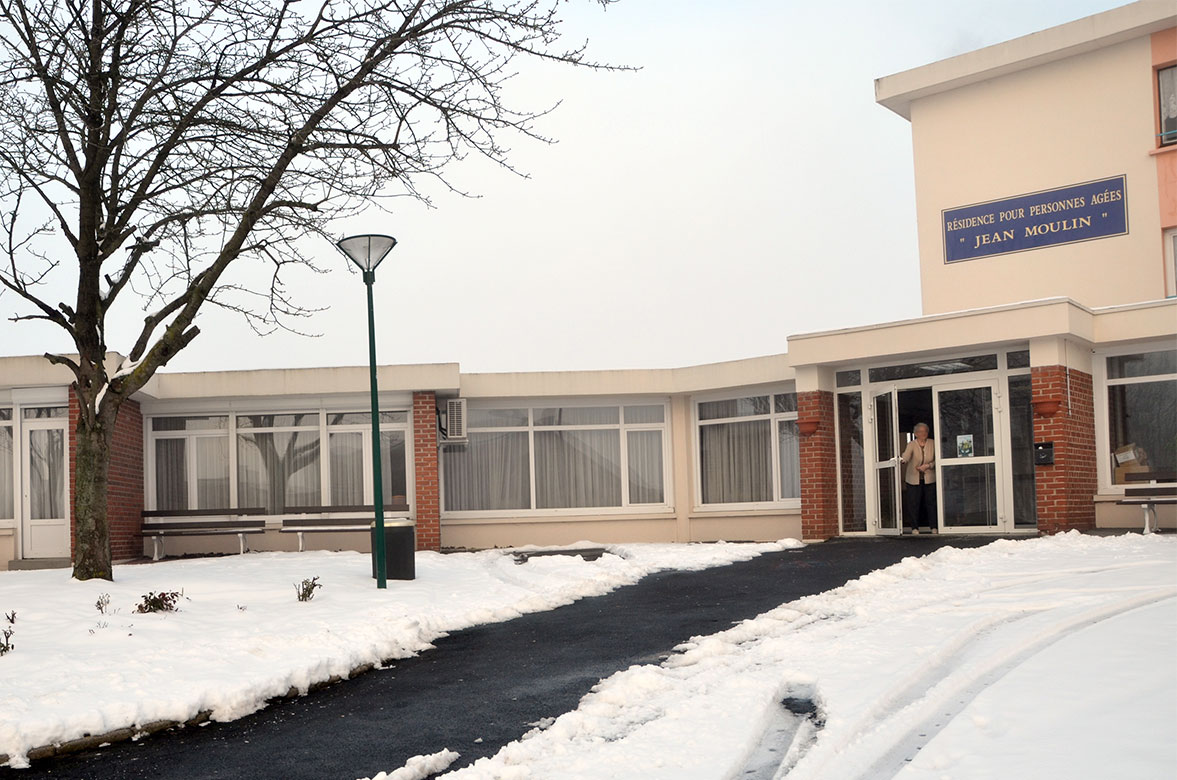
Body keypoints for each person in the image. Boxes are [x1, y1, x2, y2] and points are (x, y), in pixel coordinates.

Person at [900, 422, 936, 534]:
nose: (923, 433)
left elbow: (938, 459)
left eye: (925, 431)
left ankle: (934, 527)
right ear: (915, 434)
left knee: (931, 503)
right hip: (913, 478)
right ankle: (914, 528)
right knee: (913, 503)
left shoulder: (933, 443)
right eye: (920, 431)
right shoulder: (911, 444)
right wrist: (902, 460)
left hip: (929, 477)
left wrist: (928, 466)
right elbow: (906, 455)